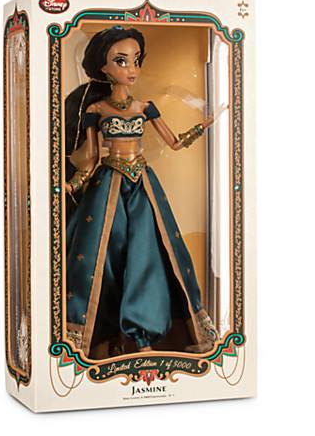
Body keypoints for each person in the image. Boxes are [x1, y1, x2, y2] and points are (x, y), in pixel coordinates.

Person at [65, 26, 218, 359]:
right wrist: (72, 185)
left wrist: (203, 125)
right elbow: (91, 158)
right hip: (109, 183)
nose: (131, 69)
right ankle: (98, 336)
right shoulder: (96, 110)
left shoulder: (145, 107)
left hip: (143, 183)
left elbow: (173, 143)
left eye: (136, 60)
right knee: (103, 256)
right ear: (103, 67)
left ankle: (144, 334)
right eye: (121, 61)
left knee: (148, 253)